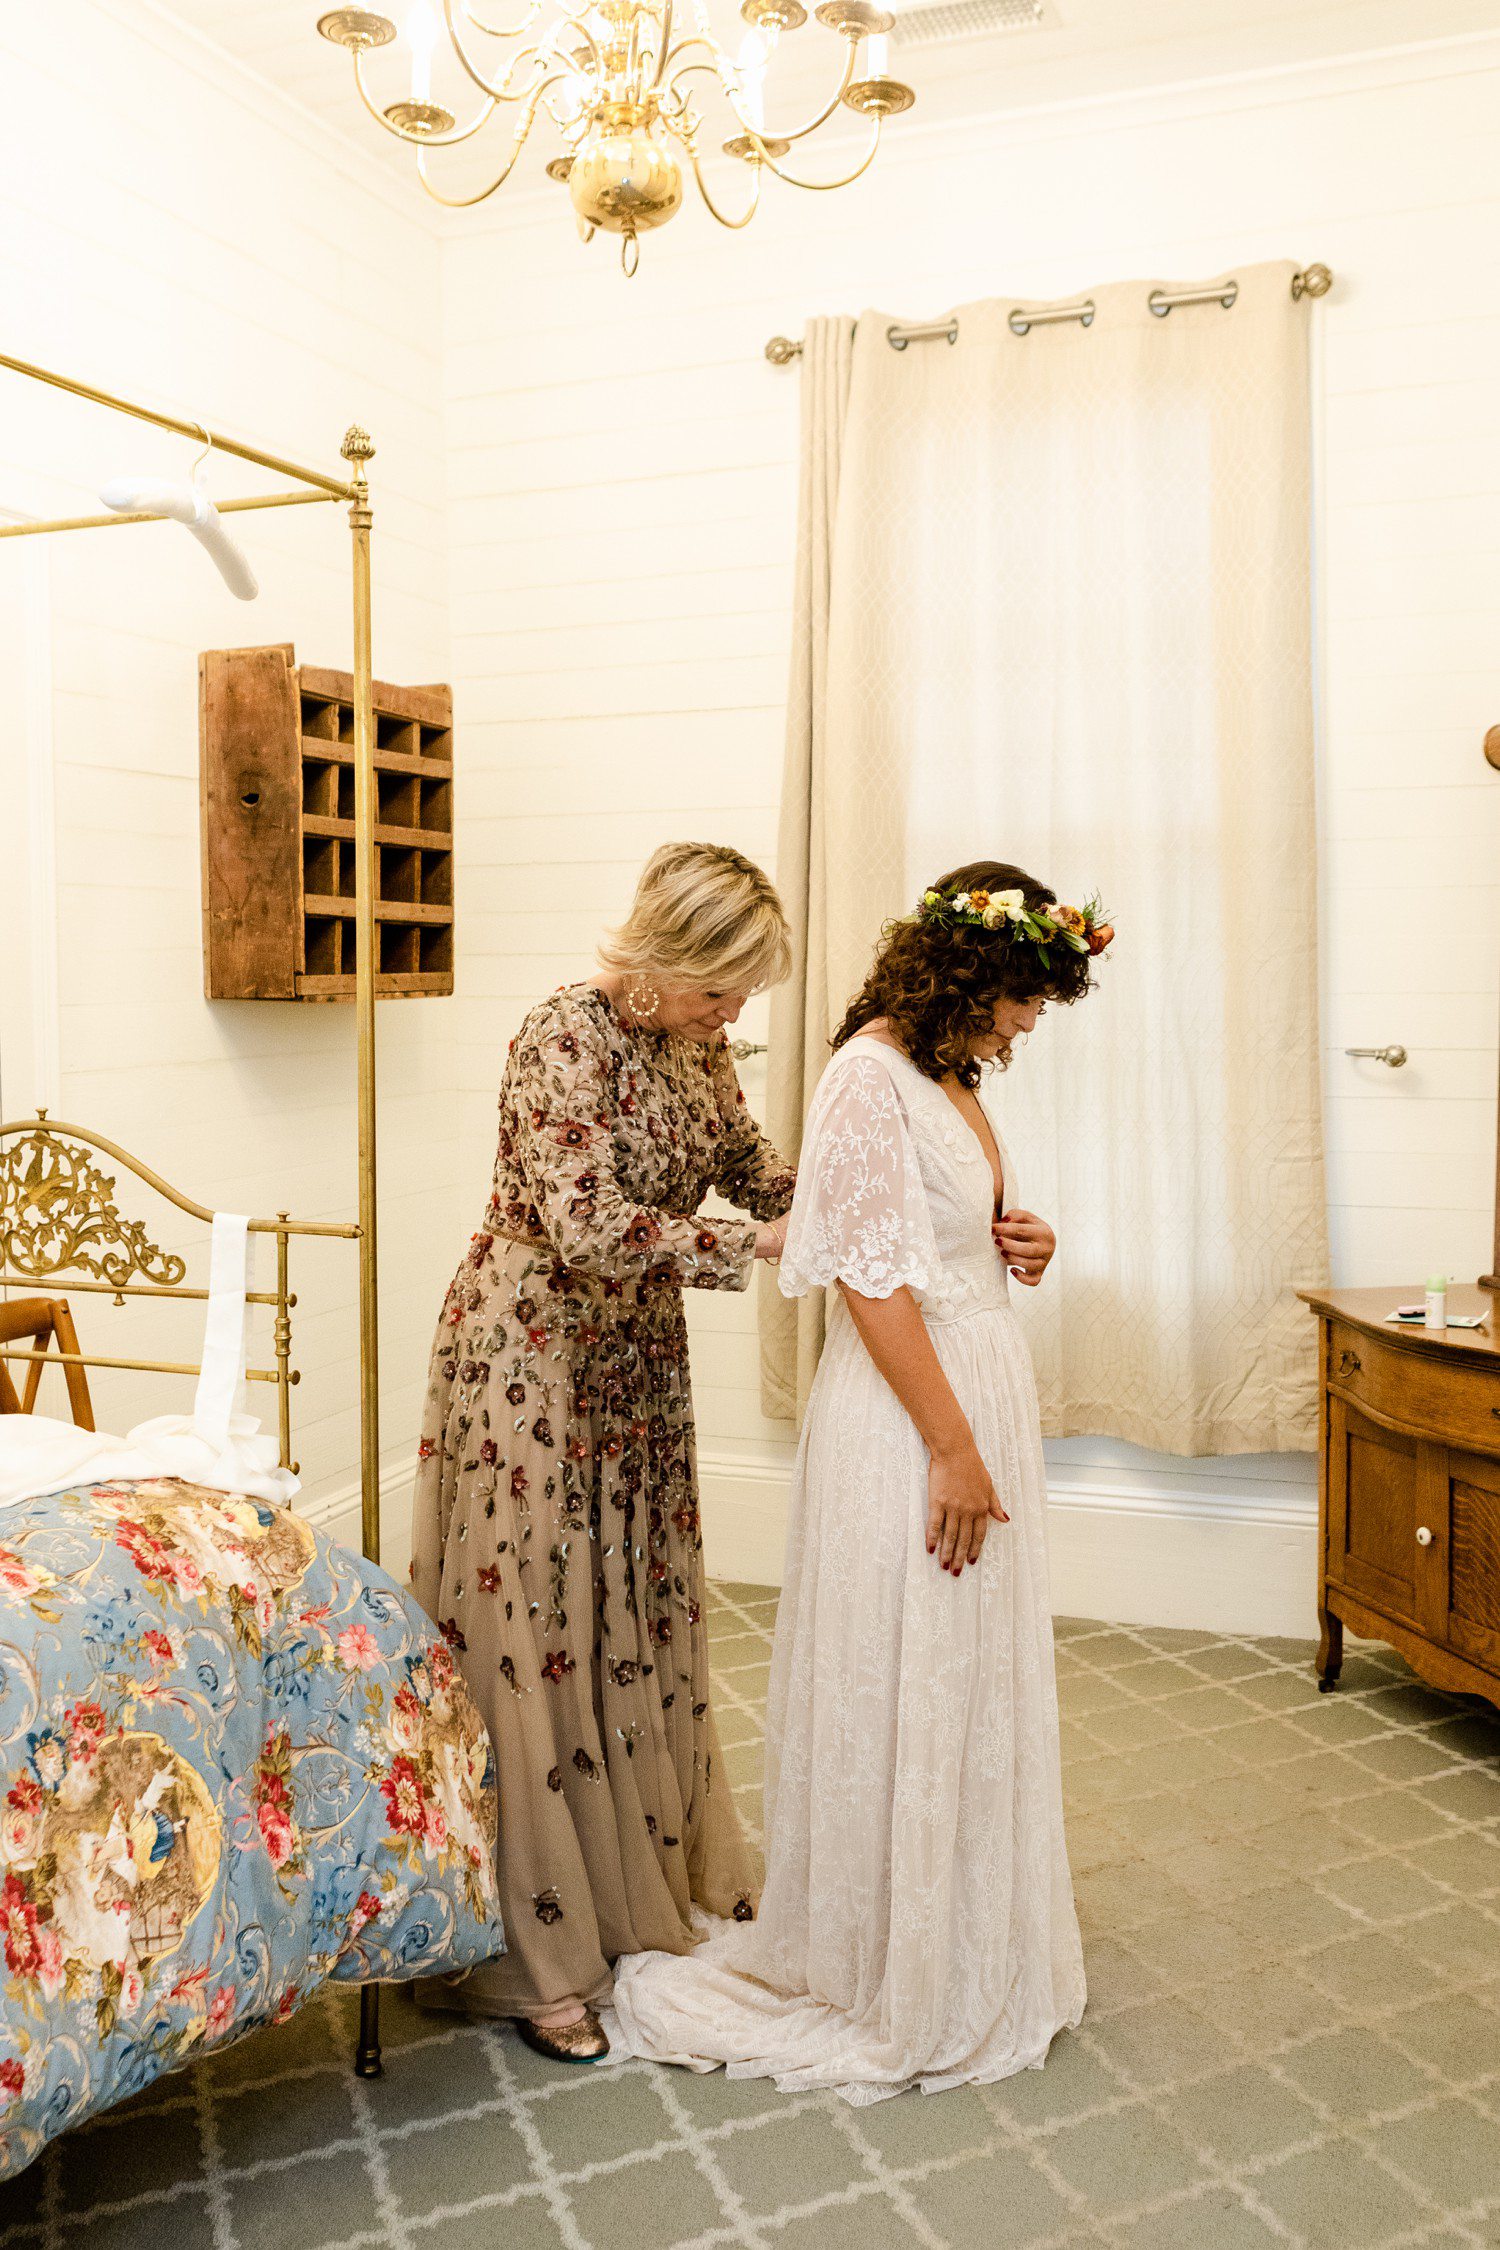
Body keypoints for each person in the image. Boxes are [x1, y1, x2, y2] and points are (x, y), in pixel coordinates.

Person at [609, 860, 1113, 2101]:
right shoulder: (863, 1074)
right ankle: (877, 1945)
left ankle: (953, 1919)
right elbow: (869, 1282)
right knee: (913, 1650)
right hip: (908, 1413)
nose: (1033, 1019)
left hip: (974, 1376)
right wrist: (950, 1444)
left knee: (963, 1663)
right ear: (969, 971)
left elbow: (938, 1235)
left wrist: (1020, 1235)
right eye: (1025, 994)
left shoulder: (951, 1073)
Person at [411, 841, 797, 2061]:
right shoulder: (560, 1037)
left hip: (639, 1358)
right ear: (662, 961)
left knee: (623, 1609)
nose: (734, 1017)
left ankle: (627, 1889)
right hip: (532, 1353)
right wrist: (758, 1251)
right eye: (720, 990)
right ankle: (535, 1957)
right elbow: (583, 1221)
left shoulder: (696, 1047)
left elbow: (752, 1169)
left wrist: (852, 1198)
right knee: (536, 1624)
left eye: (744, 997)